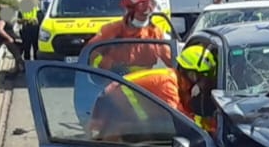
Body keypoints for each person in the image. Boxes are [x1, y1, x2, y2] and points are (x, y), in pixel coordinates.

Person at [86, 43, 220, 141]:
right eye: (204, 76)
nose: (205, 82)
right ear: (192, 74)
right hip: (113, 101)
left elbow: (186, 111)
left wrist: (208, 123)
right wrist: (210, 129)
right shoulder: (168, 83)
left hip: (122, 103)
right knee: (112, 144)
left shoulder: (179, 83)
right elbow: (181, 117)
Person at [86, 0, 173, 71]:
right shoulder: (111, 31)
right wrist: (108, 66)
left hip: (141, 82)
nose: (144, 16)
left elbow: (171, 60)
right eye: (141, 13)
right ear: (130, 11)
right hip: (111, 79)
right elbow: (89, 54)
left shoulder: (155, 34)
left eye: (147, 14)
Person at [0, 3, 26, 73]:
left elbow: (16, 21)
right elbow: (0, 30)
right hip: (5, 39)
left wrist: (24, 21)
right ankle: (20, 65)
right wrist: (9, 38)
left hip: (12, 36)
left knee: (22, 44)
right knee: (15, 49)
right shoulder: (1, 18)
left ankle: (18, 65)